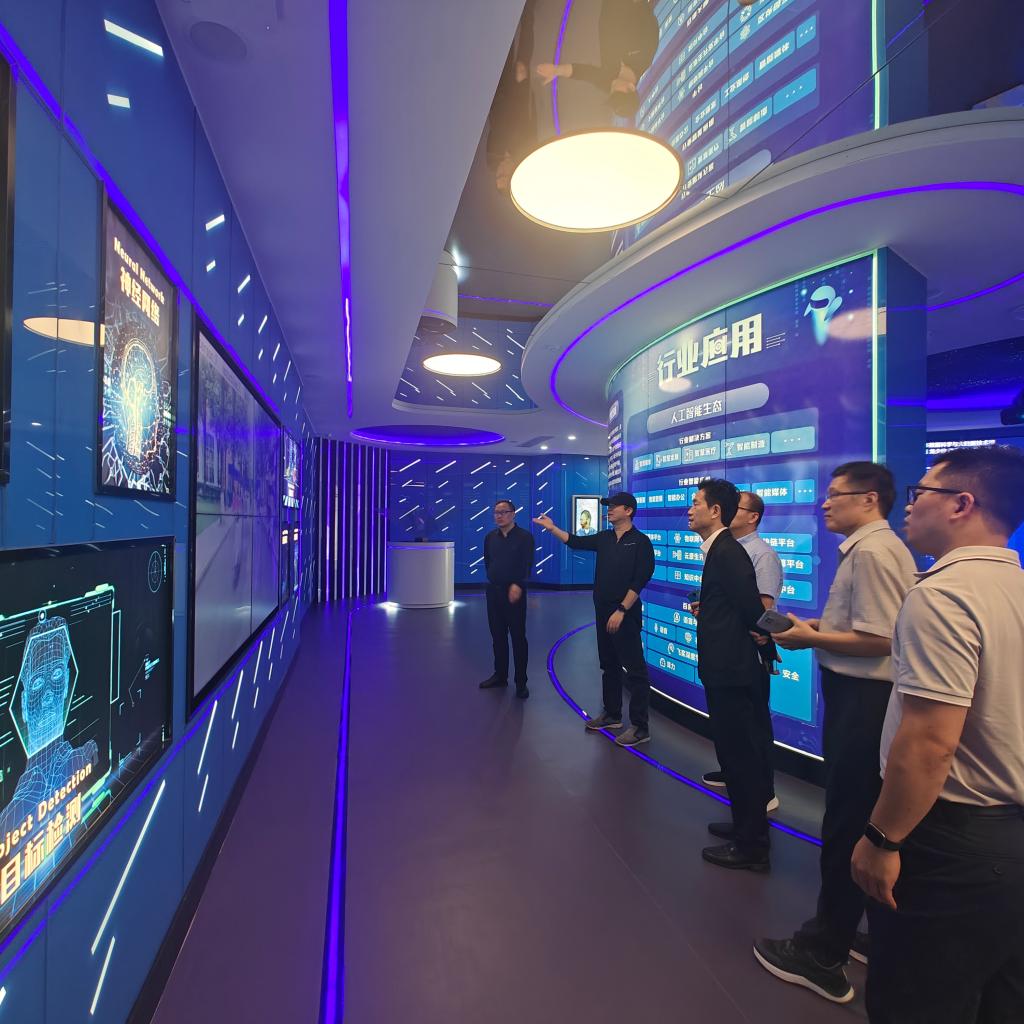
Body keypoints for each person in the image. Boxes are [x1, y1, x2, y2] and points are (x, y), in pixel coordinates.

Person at [851, 445, 1024, 1023]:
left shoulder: (943, 594)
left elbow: (930, 742)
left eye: (921, 492)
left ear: (961, 504)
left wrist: (883, 839)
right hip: (1009, 841)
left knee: (917, 1002)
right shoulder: (1014, 585)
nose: (909, 504)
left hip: (952, 843)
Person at [754, 462, 917, 1004]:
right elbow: (867, 625)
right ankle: (857, 930)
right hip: (860, 697)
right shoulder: (870, 550)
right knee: (855, 815)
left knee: (848, 821)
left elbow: (881, 639)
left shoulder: (872, 552)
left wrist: (811, 640)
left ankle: (824, 953)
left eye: (835, 494)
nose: (825, 503)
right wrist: (820, 627)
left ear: (869, 499)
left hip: (864, 700)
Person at [688, 479, 776, 872]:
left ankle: (752, 845)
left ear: (715, 511)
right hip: (725, 669)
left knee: (742, 758)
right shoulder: (721, 550)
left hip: (734, 672)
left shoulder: (727, 553)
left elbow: (753, 612)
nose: (689, 510)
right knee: (732, 756)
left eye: (696, 503)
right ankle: (743, 826)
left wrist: (768, 645)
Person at [534, 492, 655, 746]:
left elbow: (640, 579)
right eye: (608, 506)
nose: (609, 510)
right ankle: (612, 715)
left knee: (635, 670)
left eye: (614, 506)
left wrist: (622, 610)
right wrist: (553, 528)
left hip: (624, 614)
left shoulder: (641, 542)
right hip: (602, 611)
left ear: (629, 511)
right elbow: (575, 541)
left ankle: (640, 727)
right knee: (609, 664)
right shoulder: (604, 538)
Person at [702, 491, 784, 813]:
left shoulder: (762, 555)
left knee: (753, 727)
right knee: (734, 731)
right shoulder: (727, 549)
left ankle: (764, 792)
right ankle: (737, 780)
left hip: (750, 653)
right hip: (731, 651)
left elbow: (761, 610)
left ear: (753, 517)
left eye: (738, 507)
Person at [536, 0, 659, 120]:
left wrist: (557, 70)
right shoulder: (644, 57)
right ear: (631, 87)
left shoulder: (610, 82)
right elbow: (649, 21)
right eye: (616, 93)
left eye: (612, 95)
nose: (611, 91)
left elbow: (584, 73)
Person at [480, 499, 536, 699]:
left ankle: (521, 682)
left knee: (518, 638)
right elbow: (488, 562)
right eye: (496, 512)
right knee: (498, 637)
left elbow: (528, 564)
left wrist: (518, 584)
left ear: (513, 514)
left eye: (503, 512)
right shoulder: (490, 537)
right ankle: (500, 675)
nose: (499, 516)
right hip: (494, 593)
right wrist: (494, 578)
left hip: (515, 594)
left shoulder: (524, 537)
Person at [486, 0, 536, 191]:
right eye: (503, 175)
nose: (498, 171)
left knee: (503, 50)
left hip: (499, 95)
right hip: (518, 93)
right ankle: (528, 7)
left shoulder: (492, 159)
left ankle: (502, 12)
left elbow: (495, 128)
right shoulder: (524, 153)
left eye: (497, 176)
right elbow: (530, 122)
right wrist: (524, 86)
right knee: (524, 48)